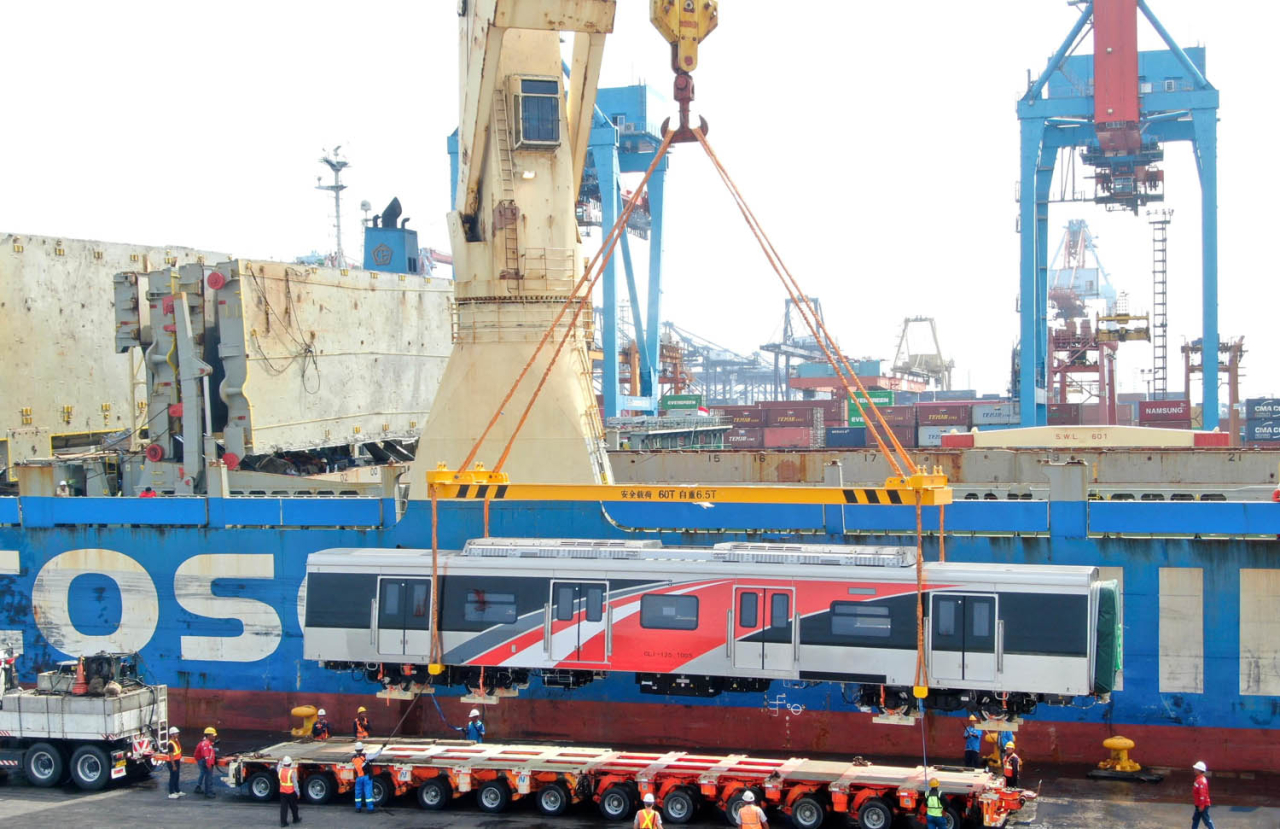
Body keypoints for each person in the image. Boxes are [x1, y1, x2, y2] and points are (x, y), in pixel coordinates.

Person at [352, 742, 377, 813]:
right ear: (362, 749)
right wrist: (381, 749)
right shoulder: (365, 756)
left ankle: (358, 808)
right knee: (368, 792)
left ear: (356, 750)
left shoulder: (353, 758)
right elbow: (374, 755)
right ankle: (370, 809)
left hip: (358, 778)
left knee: (358, 793)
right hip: (366, 777)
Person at [193, 726, 217, 797]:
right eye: (213, 735)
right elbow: (206, 755)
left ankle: (209, 790)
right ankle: (208, 792)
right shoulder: (206, 744)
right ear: (209, 735)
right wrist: (209, 764)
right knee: (208, 777)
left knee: (208, 777)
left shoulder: (207, 743)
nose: (214, 737)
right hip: (205, 762)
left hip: (205, 761)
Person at [1192, 761, 1216, 829]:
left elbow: (1202, 795)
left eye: (1196, 769)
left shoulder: (1201, 781)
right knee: (1195, 819)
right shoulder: (1199, 779)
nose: (1194, 770)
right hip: (1199, 804)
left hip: (1202, 805)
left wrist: (1201, 806)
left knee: (1207, 820)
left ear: (1199, 770)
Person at [278, 756, 300, 826]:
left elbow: (279, 766)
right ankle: (296, 819)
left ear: (284, 764)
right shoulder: (292, 772)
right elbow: (295, 783)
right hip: (291, 792)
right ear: (290, 764)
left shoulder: (280, 770)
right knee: (294, 807)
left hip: (282, 792)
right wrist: (298, 792)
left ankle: (283, 823)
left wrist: (280, 762)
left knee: (283, 808)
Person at [165, 726, 185, 799]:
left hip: (177, 761)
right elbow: (171, 755)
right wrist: (173, 765)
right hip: (172, 762)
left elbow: (178, 752)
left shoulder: (176, 741)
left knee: (176, 777)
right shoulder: (170, 744)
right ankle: (171, 792)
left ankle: (177, 790)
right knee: (173, 777)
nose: (178, 735)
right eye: (176, 733)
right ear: (172, 734)